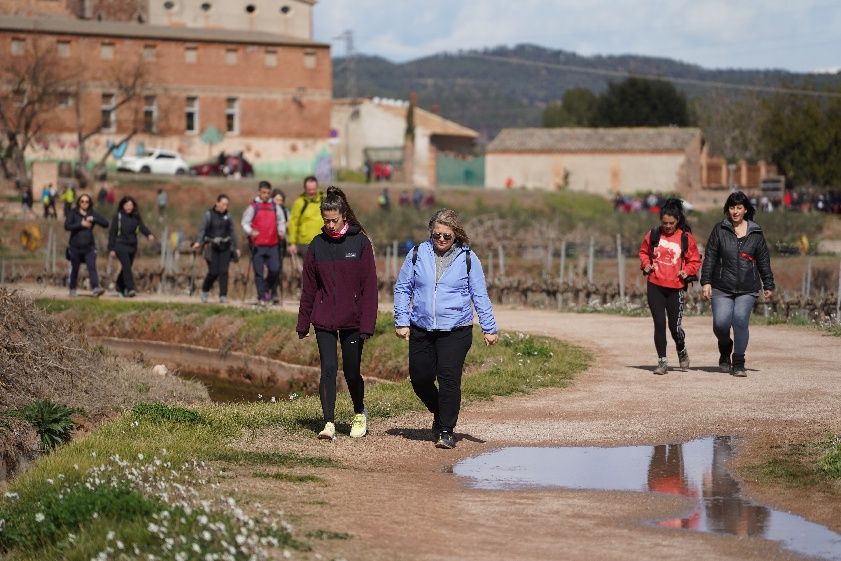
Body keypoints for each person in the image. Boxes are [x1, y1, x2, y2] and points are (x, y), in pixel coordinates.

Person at [393, 209, 498, 449]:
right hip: (421, 327)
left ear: (456, 235)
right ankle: (441, 413)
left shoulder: (468, 258)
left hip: (456, 330)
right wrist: (401, 320)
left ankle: (446, 430)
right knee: (420, 378)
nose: (441, 239)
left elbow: (479, 295)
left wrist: (489, 328)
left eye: (446, 236)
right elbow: (402, 288)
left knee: (449, 378)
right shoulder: (417, 253)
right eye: (436, 235)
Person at [296, 186, 378, 440]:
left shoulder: (360, 243)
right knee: (328, 368)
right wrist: (303, 322)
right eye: (326, 221)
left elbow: (370, 288)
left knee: (351, 371)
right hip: (324, 320)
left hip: (353, 320)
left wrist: (367, 324)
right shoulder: (316, 246)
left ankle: (358, 413)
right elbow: (309, 288)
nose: (330, 225)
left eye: (334, 220)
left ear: (344, 217)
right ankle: (328, 423)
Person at [700, 191, 775, 377]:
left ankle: (739, 361)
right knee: (720, 324)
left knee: (740, 321)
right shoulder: (720, 229)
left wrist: (768, 284)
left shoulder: (756, 232)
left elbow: (763, 260)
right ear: (728, 209)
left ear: (745, 209)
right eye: (732, 207)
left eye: (739, 208)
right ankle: (725, 348)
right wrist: (706, 281)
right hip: (722, 285)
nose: (735, 211)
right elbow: (710, 256)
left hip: (747, 287)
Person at [638, 198, 701, 375]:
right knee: (659, 324)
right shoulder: (653, 235)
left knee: (675, 328)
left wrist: (687, 271)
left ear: (678, 221)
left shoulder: (685, 238)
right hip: (655, 285)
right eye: (664, 223)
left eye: (671, 223)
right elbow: (643, 252)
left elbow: (694, 260)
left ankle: (681, 348)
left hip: (676, 288)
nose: (667, 226)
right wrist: (646, 265)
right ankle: (662, 362)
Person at [241, 180, 286, 305]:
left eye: (268, 193)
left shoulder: (275, 207)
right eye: (263, 192)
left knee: (275, 269)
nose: (266, 195)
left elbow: (281, 221)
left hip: (273, 244)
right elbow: (244, 222)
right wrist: (251, 232)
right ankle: (262, 297)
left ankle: (265, 289)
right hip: (258, 245)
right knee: (259, 272)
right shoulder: (253, 207)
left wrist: (281, 231)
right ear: (259, 192)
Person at [192, 194, 240, 304]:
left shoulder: (229, 216)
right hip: (212, 247)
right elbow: (202, 230)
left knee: (223, 272)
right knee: (213, 272)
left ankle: (223, 296)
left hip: (225, 246)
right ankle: (205, 290)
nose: (225, 207)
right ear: (217, 203)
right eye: (223, 204)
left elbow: (232, 232)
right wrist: (198, 242)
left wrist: (236, 247)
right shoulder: (209, 215)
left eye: (227, 205)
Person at [108, 196, 155, 297]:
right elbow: (112, 233)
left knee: (127, 267)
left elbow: (142, 227)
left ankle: (119, 285)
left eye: (131, 205)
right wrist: (111, 248)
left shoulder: (136, 216)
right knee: (126, 267)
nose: (129, 207)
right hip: (120, 245)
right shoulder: (118, 216)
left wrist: (149, 234)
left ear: (134, 206)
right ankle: (130, 289)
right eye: (126, 205)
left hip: (132, 246)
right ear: (122, 206)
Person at [65, 193, 109, 297]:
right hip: (75, 246)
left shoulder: (92, 213)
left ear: (90, 203)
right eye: (82, 201)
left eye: (87, 201)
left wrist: (94, 219)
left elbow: (106, 223)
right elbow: (67, 226)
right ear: (79, 203)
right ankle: (72, 288)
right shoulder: (73, 213)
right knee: (75, 269)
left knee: (92, 267)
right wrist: (81, 224)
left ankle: (95, 288)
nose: (84, 203)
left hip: (89, 247)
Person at [286, 176, 324, 261]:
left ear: (317, 187)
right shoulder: (299, 203)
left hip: (324, 242)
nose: (311, 192)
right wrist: (292, 243)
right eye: (309, 189)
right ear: (304, 188)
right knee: (310, 270)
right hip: (305, 243)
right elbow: (293, 223)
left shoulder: (325, 200)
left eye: (313, 189)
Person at [270, 188, 290, 304]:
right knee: (273, 268)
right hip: (269, 243)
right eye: (276, 199)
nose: (278, 202)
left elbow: (290, 225)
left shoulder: (286, 211)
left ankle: (274, 293)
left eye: (281, 200)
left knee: (278, 269)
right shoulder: (268, 210)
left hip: (280, 243)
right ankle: (271, 292)